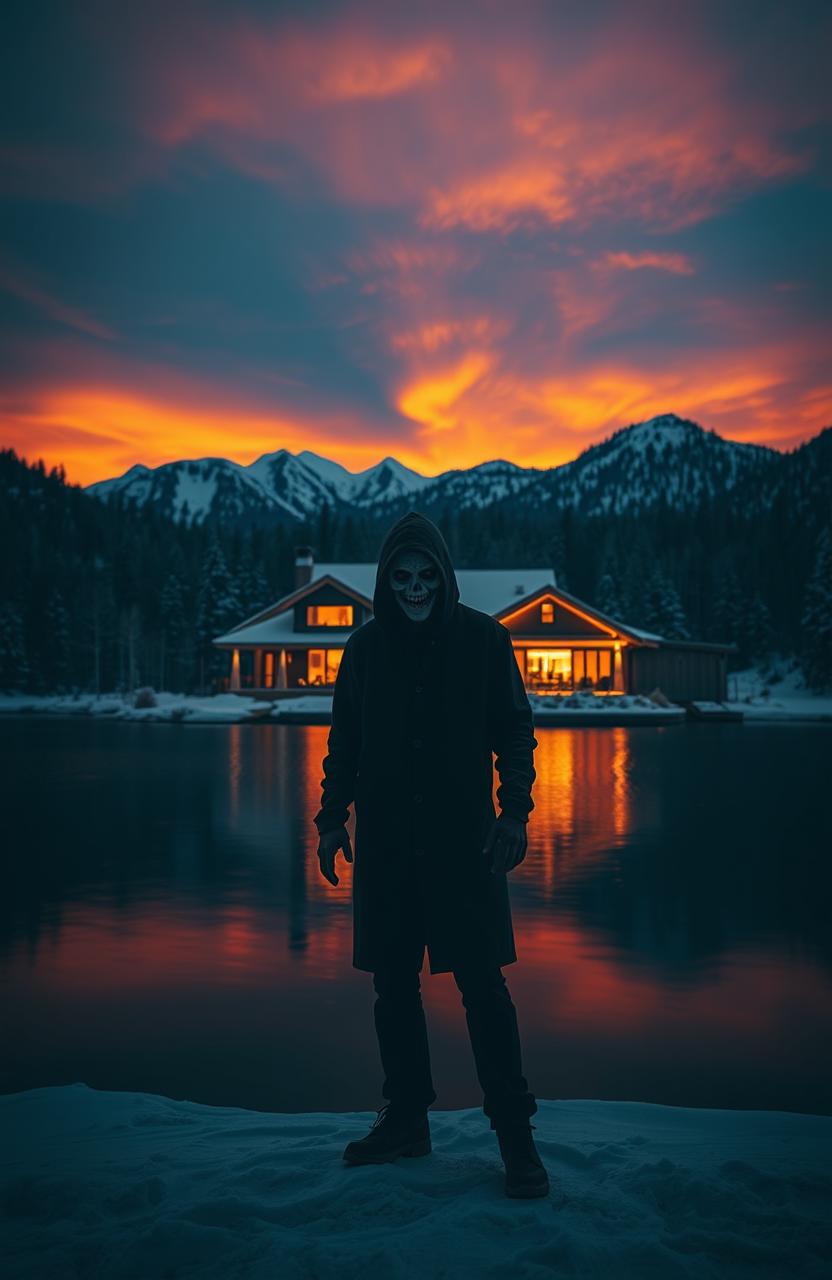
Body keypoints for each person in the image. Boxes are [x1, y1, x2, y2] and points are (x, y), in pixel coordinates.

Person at [313, 510, 549, 1198]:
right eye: (402, 576)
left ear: (444, 578)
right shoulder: (363, 651)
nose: (415, 588)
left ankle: (516, 1137)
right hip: (386, 848)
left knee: (484, 990)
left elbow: (515, 732)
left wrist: (514, 812)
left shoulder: (484, 642)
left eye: (426, 575)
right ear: (386, 582)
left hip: (465, 847)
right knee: (393, 988)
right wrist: (330, 821)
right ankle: (407, 1119)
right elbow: (344, 748)